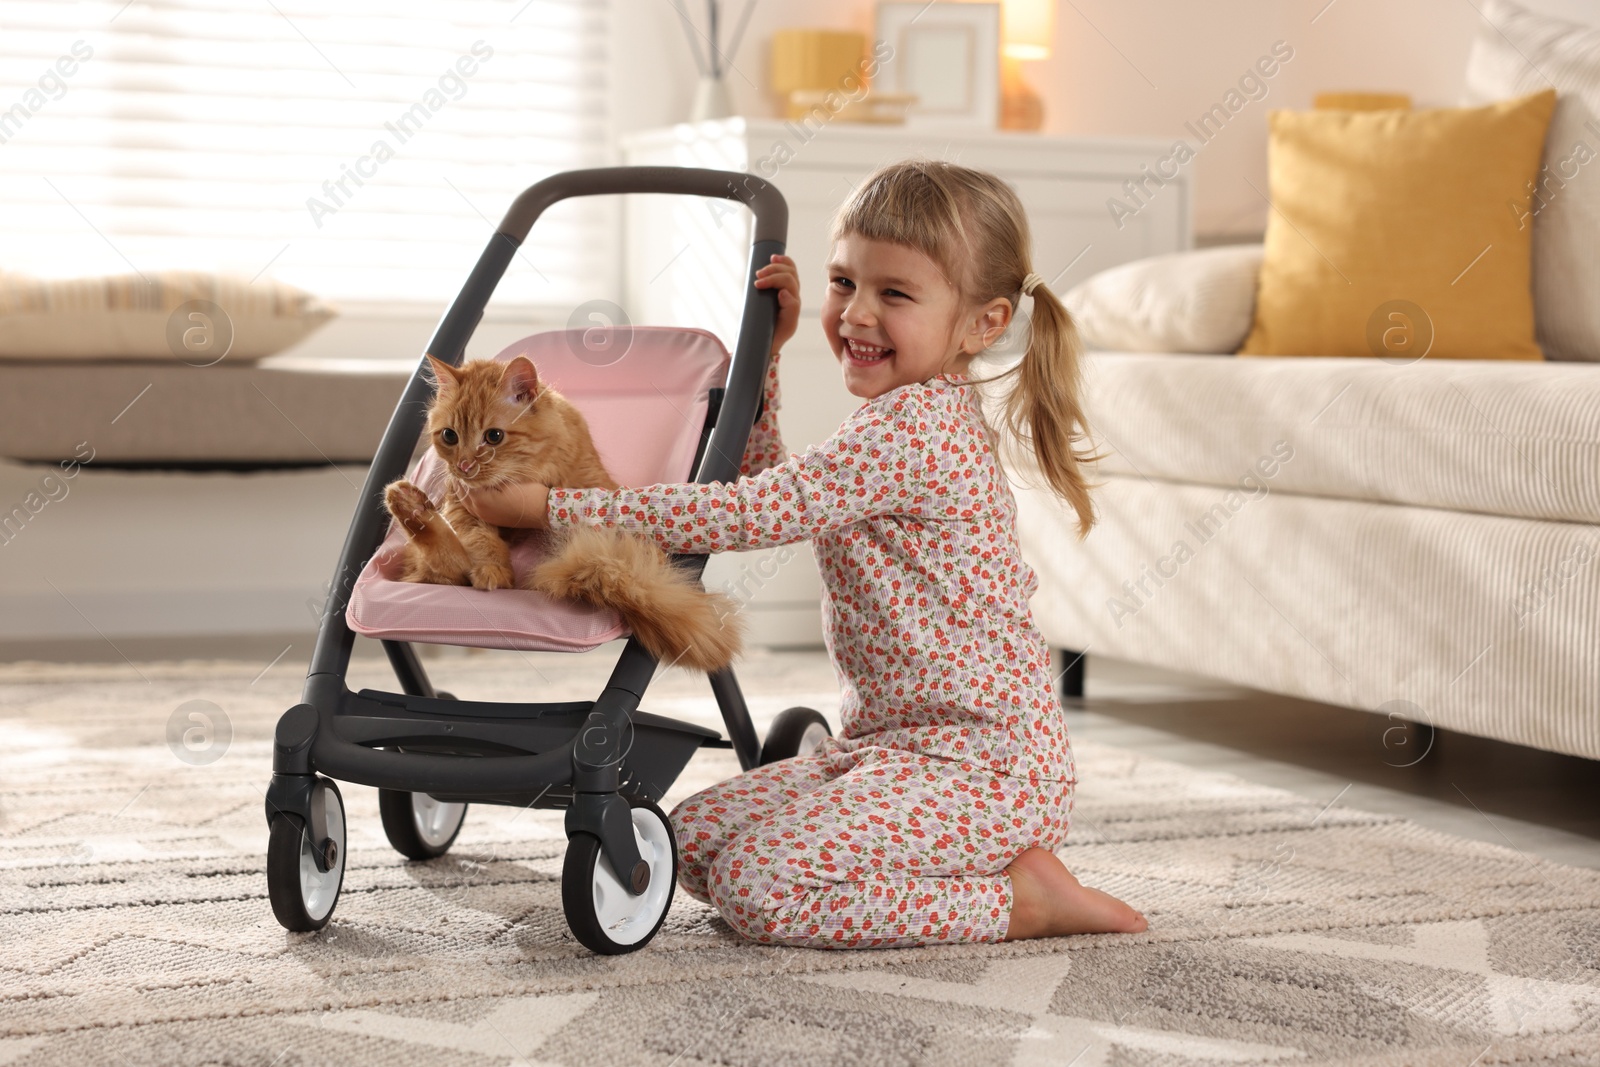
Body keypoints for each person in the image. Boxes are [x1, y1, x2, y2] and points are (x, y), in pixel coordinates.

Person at [461, 158, 1147, 948]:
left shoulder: (915, 429)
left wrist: (550, 507)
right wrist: (773, 356)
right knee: (695, 839)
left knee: (760, 889)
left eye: (894, 293)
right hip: (886, 748)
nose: (856, 313)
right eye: (843, 282)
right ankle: (962, 866)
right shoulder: (895, 423)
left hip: (983, 770)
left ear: (982, 323)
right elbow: (775, 483)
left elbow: (751, 509)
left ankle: (1019, 902)